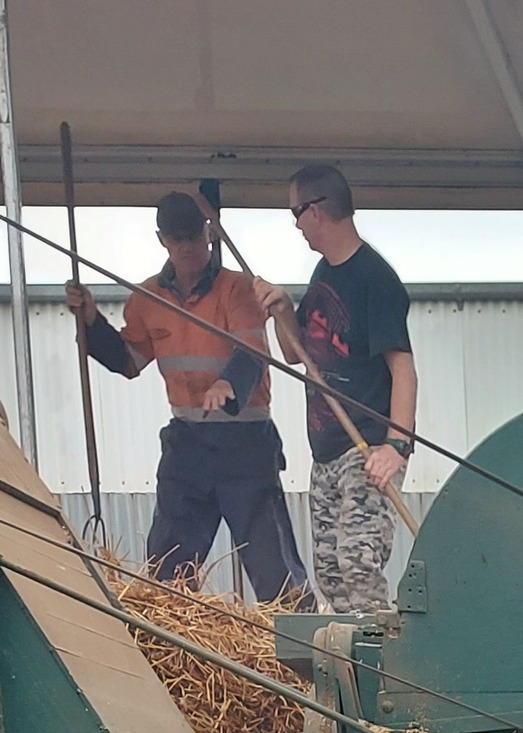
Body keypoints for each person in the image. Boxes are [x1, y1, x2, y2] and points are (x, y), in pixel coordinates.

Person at [65, 192, 306, 601]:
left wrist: (227, 386)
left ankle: (299, 639)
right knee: (166, 571)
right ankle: (166, 650)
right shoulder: (145, 300)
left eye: (194, 236)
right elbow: (127, 360)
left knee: (273, 565)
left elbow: (252, 350)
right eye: (177, 239)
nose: (188, 247)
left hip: (245, 439)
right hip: (187, 442)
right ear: (162, 240)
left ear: (208, 233)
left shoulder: (239, 289)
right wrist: (90, 320)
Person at [258, 163, 416, 613]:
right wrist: (283, 310)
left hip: (365, 448)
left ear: (316, 211)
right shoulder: (323, 274)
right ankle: (349, 672)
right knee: (330, 573)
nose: (296, 225)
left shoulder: (374, 279)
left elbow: (403, 369)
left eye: (295, 213)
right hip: (325, 450)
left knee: (357, 563)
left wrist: (396, 447)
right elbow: (298, 353)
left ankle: (382, 669)